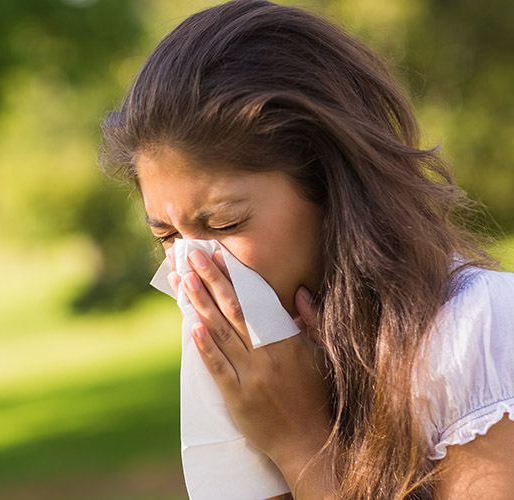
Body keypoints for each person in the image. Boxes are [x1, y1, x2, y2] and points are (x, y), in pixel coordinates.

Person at [99, 1, 514, 499]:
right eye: (167, 237)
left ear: (328, 184)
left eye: (226, 222)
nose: (194, 268)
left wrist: (299, 443)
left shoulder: (475, 332)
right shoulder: (271, 373)